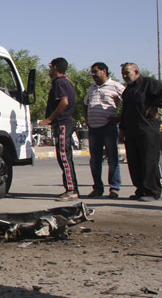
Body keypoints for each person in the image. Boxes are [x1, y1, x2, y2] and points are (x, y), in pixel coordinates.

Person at [119, 62, 162, 202]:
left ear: (136, 71)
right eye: (123, 74)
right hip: (132, 131)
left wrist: (154, 106)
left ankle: (152, 191)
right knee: (135, 162)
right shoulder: (128, 91)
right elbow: (125, 112)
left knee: (149, 161)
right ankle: (141, 190)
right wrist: (122, 130)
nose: (125, 76)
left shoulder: (148, 84)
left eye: (127, 72)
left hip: (147, 130)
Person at [39, 57, 78, 201]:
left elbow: (64, 102)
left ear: (55, 68)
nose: (48, 71)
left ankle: (71, 190)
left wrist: (50, 119)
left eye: (50, 67)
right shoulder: (65, 82)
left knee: (64, 157)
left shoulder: (59, 83)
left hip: (62, 123)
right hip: (63, 123)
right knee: (65, 157)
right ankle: (72, 188)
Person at [82, 62, 124, 198]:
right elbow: (85, 103)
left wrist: (119, 118)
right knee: (95, 160)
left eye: (95, 71)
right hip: (94, 129)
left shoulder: (116, 86)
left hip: (109, 128)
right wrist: (87, 119)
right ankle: (98, 188)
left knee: (113, 159)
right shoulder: (92, 88)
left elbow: (129, 101)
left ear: (104, 71)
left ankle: (114, 188)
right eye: (92, 72)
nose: (93, 75)